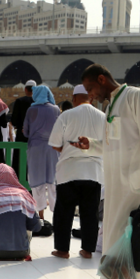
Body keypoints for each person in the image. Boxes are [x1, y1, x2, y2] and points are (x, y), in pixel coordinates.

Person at [73, 64, 140, 279]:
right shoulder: (112, 105)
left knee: (130, 235)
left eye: (90, 88)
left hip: (137, 183)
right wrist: (90, 144)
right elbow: (114, 145)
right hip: (115, 184)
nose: (90, 95)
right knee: (114, 235)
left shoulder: (135, 96)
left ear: (102, 79)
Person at [48, 84, 105, 259]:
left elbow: (55, 144)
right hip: (93, 171)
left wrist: (70, 150)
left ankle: (63, 250)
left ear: (73, 99)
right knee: (90, 212)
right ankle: (87, 250)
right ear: (92, 98)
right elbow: (109, 145)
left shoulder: (66, 115)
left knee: (64, 212)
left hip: (69, 170)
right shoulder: (103, 117)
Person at [23, 85, 60, 219]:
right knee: (53, 181)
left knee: (37, 181)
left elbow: (26, 132)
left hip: (36, 148)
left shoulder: (31, 110)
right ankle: (57, 216)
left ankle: (41, 216)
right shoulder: (56, 110)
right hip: (52, 148)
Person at [11, 79, 35, 144]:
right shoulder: (39, 102)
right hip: (35, 136)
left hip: (21, 135)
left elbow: (14, 120)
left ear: (25, 89)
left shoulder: (19, 101)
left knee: (20, 153)